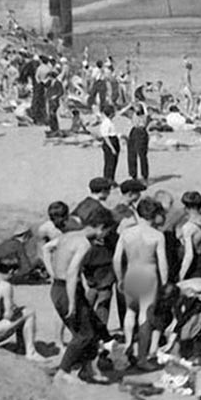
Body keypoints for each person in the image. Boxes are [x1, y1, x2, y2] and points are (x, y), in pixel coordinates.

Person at [46, 209, 114, 383]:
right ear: (100, 227)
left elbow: (47, 249)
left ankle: (87, 369)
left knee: (93, 326)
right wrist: (72, 303)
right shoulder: (84, 243)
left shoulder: (68, 236)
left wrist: (51, 271)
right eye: (106, 231)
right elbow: (72, 272)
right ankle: (63, 373)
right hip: (68, 290)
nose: (105, 235)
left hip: (58, 287)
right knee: (84, 335)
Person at [112, 197, 169, 370]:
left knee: (130, 312)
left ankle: (129, 344)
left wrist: (120, 278)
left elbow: (116, 258)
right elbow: (163, 263)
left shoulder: (127, 233)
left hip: (131, 272)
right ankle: (142, 358)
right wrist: (164, 283)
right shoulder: (157, 236)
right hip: (148, 274)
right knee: (145, 315)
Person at [0, 253, 44, 360]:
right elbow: (8, 316)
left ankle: (21, 348)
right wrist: (13, 309)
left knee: (20, 313)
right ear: (11, 271)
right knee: (29, 312)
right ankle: (31, 352)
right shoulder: (6, 286)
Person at [96, 103, 121, 183]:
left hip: (114, 140)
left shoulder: (110, 122)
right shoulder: (106, 123)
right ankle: (108, 180)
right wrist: (112, 148)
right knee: (109, 163)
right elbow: (106, 137)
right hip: (110, 142)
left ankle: (111, 179)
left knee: (114, 163)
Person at [125, 103, 151, 182]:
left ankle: (144, 175)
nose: (136, 109)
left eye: (138, 108)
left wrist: (142, 104)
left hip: (141, 131)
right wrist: (129, 105)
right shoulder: (133, 115)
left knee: (142, 155)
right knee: (131, 154)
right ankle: (133, 175)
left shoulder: (145, 116)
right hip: (133, 131)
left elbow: (147, 115)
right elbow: (122, 112)